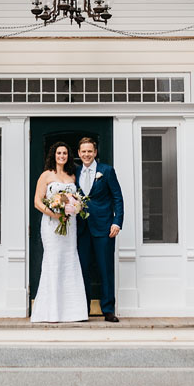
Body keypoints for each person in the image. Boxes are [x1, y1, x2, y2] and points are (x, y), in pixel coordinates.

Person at [30, 142, 88, 323]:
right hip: (51, 225)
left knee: (69, 260)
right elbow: (38, 202)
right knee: (53, 260)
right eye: (58, 153)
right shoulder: (46, 175)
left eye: (64, 153)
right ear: (53, 155)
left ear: (68, 156)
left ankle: (73, 312)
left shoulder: (72, 176)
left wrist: (74, 206)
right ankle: (51, 312)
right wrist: (54, 214)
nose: (61, 156)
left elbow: (76, 199)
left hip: (69, 225)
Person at [75, 136, 124, 322]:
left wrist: (117, 222)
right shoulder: (75, 172)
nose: (87, 154)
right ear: (79, 153)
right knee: (82, 270)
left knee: (105, 269)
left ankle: (108, 309)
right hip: (81, 228)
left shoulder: (107, 171)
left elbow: (118, 198)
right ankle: (82, 309)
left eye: (90, 151)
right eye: (83, 151)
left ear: (95, 153)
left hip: (104, 227)